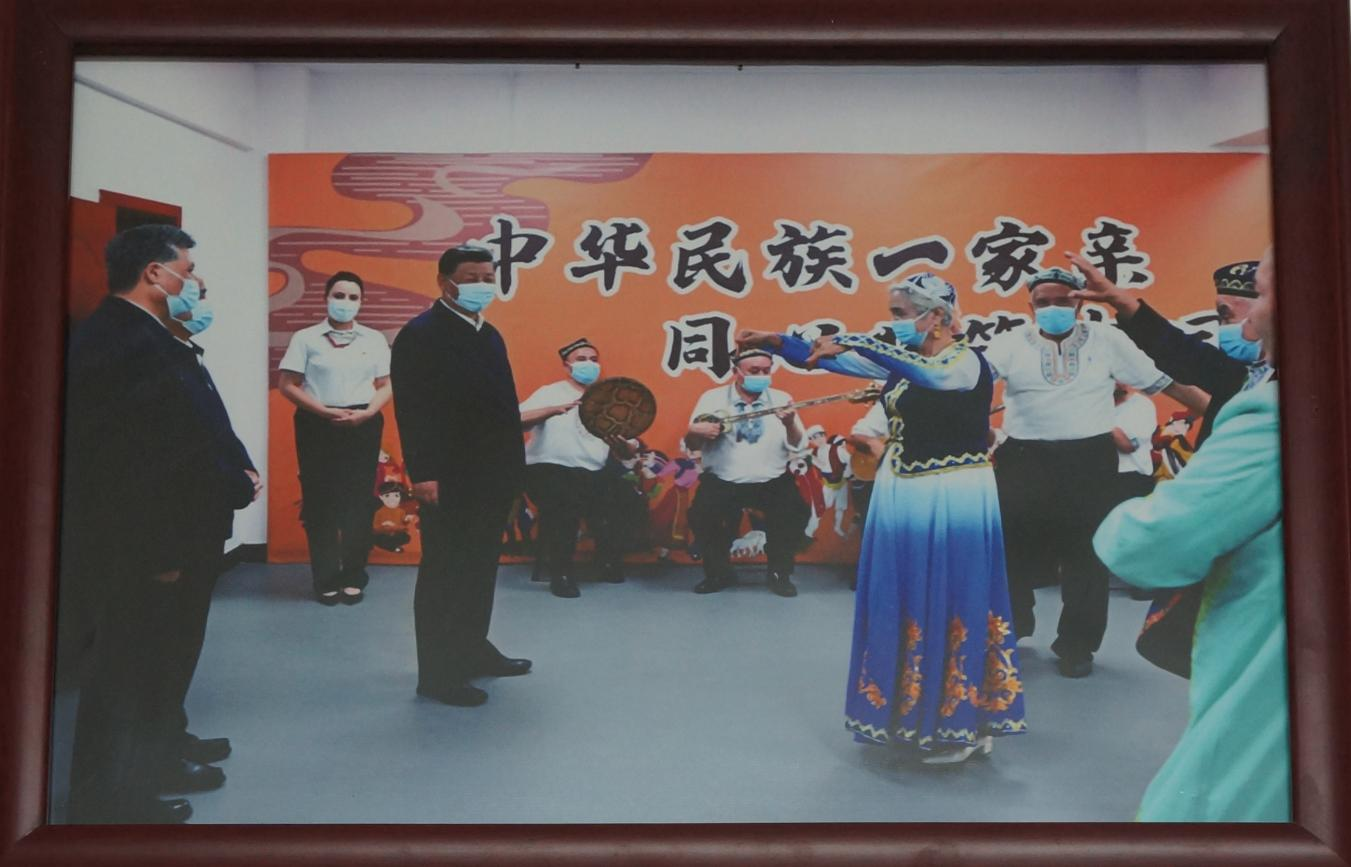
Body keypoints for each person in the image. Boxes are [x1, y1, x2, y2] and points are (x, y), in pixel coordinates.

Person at [739, 271, 1026, 764]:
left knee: (952, 596)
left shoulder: (964, 363)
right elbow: (827, 360)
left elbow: (931, 376)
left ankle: (960, 723)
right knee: (911, 597)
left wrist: (853, 339)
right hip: (906, 489)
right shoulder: (902, 363)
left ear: (936, 316)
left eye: (900, 314)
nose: (893, 323)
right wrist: (775, 341)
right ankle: (922, 714)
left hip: (952, 494)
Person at [61, 224, 259, 823]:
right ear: (155, 272)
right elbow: (133, 465)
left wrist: (237, 468)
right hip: (153, 543)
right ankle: (108, 799)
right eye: (188, 271)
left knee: (167, 657)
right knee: (128, 668)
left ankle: (162, 751)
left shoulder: (154, 335)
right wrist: (160, 552)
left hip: (186, 531)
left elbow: (194, 423)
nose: (195, 282)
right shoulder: (119, 344)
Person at [1093, 249, 1287, 821]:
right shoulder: (1250, 378)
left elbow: (1147, 545)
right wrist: (1128, 307)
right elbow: (1181, 352)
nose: (1243, 326)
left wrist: (1112, 518)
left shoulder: (1271, 409)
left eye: (1256, 300)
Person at [982, 266, 1210, 678]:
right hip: (1024, 459)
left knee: (1086, 555)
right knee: (1011, 549)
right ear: (1030, 306)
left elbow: (1163, 382)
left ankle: (1077, 646)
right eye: (1043, 302)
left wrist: (1220, 410)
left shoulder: (1108, 339)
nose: (1052, 308)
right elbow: (971, 385)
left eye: (1062, 300)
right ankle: (1011, 628)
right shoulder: (1009, 343)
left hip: (1088, 460)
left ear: (1080, 302)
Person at [389, 244, 532, 708]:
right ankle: (437, 672)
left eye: (488, 277)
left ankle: (472, 648)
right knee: (446, 572)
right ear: (444, 281)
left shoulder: (489, 334)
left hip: (493, 474)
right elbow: (412, 411)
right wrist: (423, 473)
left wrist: (514, 470)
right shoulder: (421, 335)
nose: (481, 285)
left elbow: (504, 409)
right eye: (471, 277)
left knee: (480, 567)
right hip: (448, 476)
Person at [278, 271, 391, 605]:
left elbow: (386, 385)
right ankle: (325, 578)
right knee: (320, 501)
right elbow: (287, 385)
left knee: (358, 501)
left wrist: (367, 413)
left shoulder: (373, 339)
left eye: (353, 297)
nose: (345, 303)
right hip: (317, 423)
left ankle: (354, 575)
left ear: (362, 302)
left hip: (362, 422)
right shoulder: (306, 338)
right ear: (326, 298)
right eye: (339, 296)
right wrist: (324, 412)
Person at [684, 349, 810, 596]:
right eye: (754, 371)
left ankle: (779, 574)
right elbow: (692, 443)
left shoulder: (781, 398)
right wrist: (695, 432)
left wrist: (789, 424)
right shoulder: (712, 398)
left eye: (766, 370)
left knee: (793, 513)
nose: (761, 375)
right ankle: (718, 573)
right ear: (736, 372)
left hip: (772, 479)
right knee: (702, 515)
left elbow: (798, 444)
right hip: (723, 479)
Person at [519, 337, 637, 598]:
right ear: (567, 365)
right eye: (581, 359)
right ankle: (561, 573)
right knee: (563, 501)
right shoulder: (550, 392)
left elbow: (630, 448)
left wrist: (622, 445)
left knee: (625, 496)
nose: (589, 364)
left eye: (593, 360)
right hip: (548, 469)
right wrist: (553, 410)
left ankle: (607, 560)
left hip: (592, 472)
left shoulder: (610, 398)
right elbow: (517, 419)